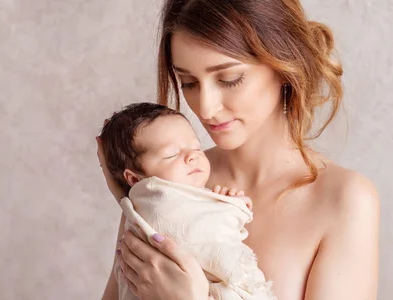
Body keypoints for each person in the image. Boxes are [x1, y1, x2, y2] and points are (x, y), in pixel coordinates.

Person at [96, 0, 380, 299]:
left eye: (229, 79)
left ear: (285, 66)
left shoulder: (344, 199)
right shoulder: (166, 186)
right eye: (189, 82)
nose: (205, 107)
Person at [98, 102, 274, 299]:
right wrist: (233, 207)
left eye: (197, 147)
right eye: (171, 154)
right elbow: (213, 229)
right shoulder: (158, 203)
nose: (193, 156)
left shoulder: (136, 207)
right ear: (135, 179)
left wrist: (219, 202)